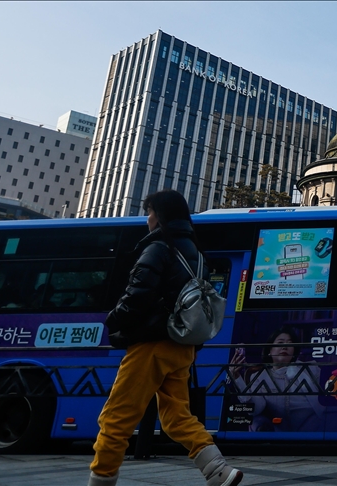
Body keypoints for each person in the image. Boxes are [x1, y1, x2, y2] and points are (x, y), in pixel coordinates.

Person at [88, 190, 242, 486]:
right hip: (181, 346)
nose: (147, 219)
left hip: (152, 346)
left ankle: (101, 479)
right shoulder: (196, 253)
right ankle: (218, 470)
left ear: (160, 216)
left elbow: (138, 294)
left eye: (149, 213)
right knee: (176, 416)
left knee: (116, 417)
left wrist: (113, 319)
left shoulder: (158, 247)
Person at [229, 327, 325, 432]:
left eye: (290, 344)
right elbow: (255, 409)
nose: (285, 347)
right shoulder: (260, 376)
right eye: (280, 342)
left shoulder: (311, 369)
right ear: (270, 350)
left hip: (315, 429)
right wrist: (237, 378)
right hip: (279, 432)